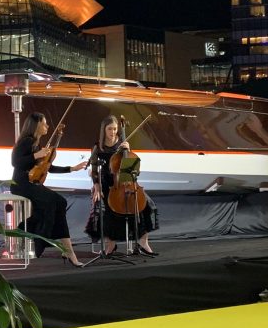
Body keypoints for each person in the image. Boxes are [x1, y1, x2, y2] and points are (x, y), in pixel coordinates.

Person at [11, 112, 87, 266]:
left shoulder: (37, 144)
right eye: (44, 123)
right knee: (56, 201)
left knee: (60, 203)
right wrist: (35, 155)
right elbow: (15, 162)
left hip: (33, 183)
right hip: (21, 184)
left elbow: (47, 167)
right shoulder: (26, 141)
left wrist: (72, 168)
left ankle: (65, 249)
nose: (47, 126)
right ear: (37, 124)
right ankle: (41, 235)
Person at [85, 115, 158, 255]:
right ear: (104, 130)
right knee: (105, 208)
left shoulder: (122, 144)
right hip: (107, 183)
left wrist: (128, 151)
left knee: (147, 205)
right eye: (110, 129)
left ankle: (143, 241)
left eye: (115, 129)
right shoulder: (97, 147)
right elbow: (94, 170)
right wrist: (97, 187)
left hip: (126, 182)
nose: (113, 132)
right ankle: (111, 245)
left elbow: (132, 167)